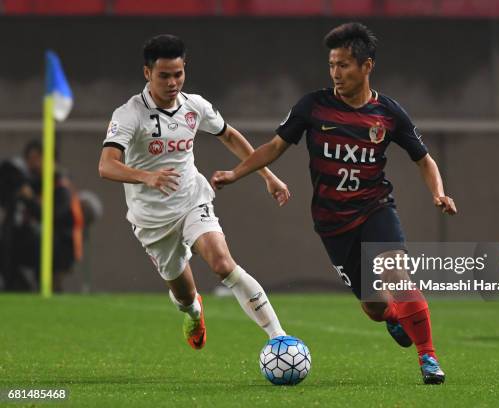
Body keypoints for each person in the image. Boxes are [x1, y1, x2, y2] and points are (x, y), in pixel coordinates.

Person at [211, 22, 457, 384]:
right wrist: (237, 173)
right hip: (332, 223)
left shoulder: (388, 113)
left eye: (344, 65)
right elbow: (275, 146)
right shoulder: (314, 106)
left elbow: (424, 159)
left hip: (376, 208)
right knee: (374, 307)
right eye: (332, 65)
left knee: (397, 275)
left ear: (367, 66)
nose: (336, 73)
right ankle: (393, 317)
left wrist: (438, 192)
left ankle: (429, 359)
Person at [98, 34, 289, 350]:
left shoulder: (195, 106)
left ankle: (279, 337)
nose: (173, 82)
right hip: (152, 220)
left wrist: (267, 175)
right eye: (164, 75)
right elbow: (106, 166)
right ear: (147, 73)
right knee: (185, 295)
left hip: (192, 200)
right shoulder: (129, 114)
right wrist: (147, 176)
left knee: (223, 264)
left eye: (178, 74)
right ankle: (194, 310)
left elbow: (229, 136)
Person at [0, 140, 83, 292]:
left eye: (37, 159)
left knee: (50, 288)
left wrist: (29, 199)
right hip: (40, 244)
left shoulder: (62, 187)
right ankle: (17, 287)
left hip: (62, 248)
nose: (34, 165)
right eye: (30, 160)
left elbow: (50, 217)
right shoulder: (34, 183)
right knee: (7, 243)